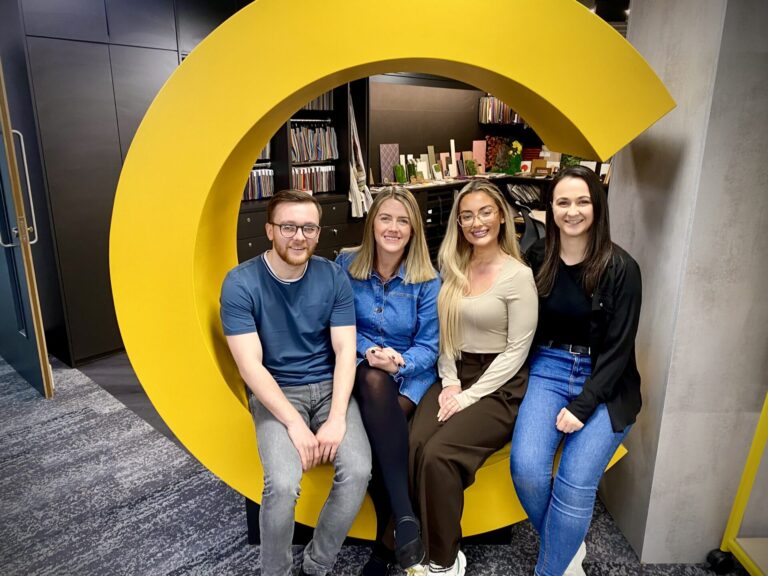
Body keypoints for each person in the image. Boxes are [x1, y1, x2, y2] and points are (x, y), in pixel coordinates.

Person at [220, 190, 372, 576]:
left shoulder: (332, 276)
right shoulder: (240, 283)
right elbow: (250, 366)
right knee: (283, 485)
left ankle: (317, 565)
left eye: (309, 228)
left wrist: (337, 417)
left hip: (330, 388)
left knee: (358, 471)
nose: (299, 237)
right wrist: (294, 424)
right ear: (269, 230)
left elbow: (345, 350)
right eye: (288, 227)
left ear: (318, 232)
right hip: (277, 392)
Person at [510, 165, 642, 576]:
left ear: (597, 206)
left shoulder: (622, 268)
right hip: (548, 367)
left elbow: (619, 351)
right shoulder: (537, 258)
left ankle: (550, 569)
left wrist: (584, 405)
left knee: (574, 483)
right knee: (527, 471)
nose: (572, 211)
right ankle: (567, 546)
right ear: (549, 208)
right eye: (563, 202)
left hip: (606, 380)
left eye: (582, 201)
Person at [409, 180, 538, 576]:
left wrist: (468, 396)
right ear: (459, 223)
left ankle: (444, 559)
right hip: (455, 374)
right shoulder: (453, 267)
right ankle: (417, 542)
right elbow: (445, 332)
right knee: (414, 442)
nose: (476, 222)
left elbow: (517, 350)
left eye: (485, 212)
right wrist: (450, 382)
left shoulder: (517, 276)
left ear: (501, 217)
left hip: (499, 385)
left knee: (439, 454)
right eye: (467, 215)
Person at [335, 187, 440, 576]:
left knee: (379, 429)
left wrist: (399, 364)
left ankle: (386, 545)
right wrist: (369, 352)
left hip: (409, 375)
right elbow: (337, 322)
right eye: (385, 218)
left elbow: (430, 346)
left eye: (402, 221)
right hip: (362, 368)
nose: (393, 228)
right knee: (373, 380)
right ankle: (404, 518)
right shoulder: (345, 265)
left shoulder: (428, 280)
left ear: (413, 230)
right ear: (371, 223)